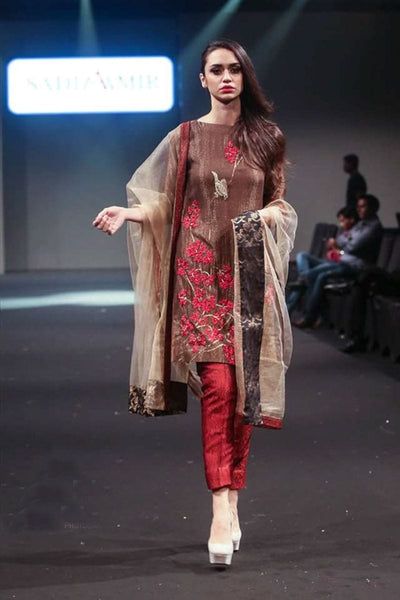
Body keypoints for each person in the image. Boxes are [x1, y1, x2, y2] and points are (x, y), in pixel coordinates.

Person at [93, 39, 297, 567]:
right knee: (219, 388)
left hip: (247, 280)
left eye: (234, 69)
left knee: (244, 395)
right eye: (216, 70)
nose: (226, 77)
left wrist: (267, 217)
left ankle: (233, 499)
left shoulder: (266, 138)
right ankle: (219, 508)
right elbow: (166, 202)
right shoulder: (183, 138)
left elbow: (279, 204)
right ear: (202, 79)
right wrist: (128, 213)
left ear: (244, 76)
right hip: (198, 277)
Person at [293, 194, 382, 328]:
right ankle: (314, 310)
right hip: (343, 262)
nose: (359, 209)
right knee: (308, 267)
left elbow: (353, 245)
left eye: (363, 206)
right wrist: (345, 242)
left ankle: (310, 315)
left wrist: (343, 244)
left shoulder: (373, 227)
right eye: (358, 206)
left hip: (356, 267)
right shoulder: (361, 224)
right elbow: (341, 240)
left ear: (373, 208)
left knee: (319, 275)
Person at [286, 206, 358, 314]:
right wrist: (333, 245)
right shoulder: (343, 233)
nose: (341, 224)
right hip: (330, 261)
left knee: (304, 281)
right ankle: (303, 278)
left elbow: (345, 252)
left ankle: (289, 309)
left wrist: (336, 247)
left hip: (340, 264)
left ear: (351, 220)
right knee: (302, 255)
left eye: (343, 221)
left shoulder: (356, 234)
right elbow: (335, 248)